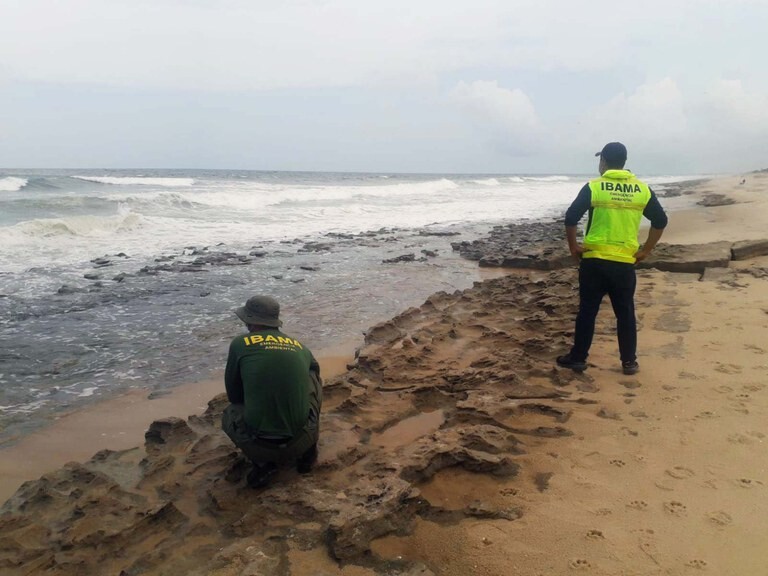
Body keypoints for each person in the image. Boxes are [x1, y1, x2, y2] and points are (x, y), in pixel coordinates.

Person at [556, 142, 668, 375]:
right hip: (624, 263)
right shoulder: (642, 190)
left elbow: (571, 217)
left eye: (600, 160)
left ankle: (578, 358)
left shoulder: (594, 187)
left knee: (588, 311)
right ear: (624, 162)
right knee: (625, 312)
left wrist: (574, 247)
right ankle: (629, 362)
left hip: (594, 260)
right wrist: (646, 250)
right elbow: (660, 221)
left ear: (604, 162)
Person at [221, 295, 322, 488]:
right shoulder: (300, 347)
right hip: (301, 439)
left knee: (229, 413)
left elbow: (234, 396)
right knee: (312, 377)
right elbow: (314, 372)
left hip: (259, 447)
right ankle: (309, 450)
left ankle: (263, 464)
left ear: (249, 320)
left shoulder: (239, 344)